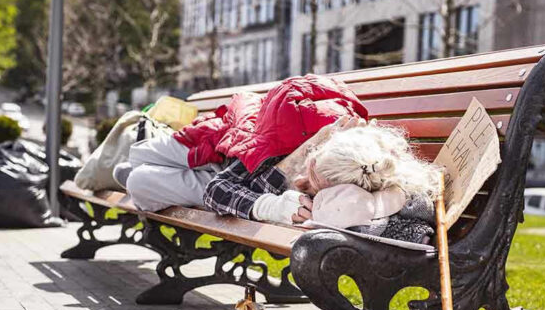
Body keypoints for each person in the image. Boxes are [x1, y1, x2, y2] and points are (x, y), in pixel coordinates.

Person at [116, 74, 368, 212]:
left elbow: (220, 190)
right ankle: (166, 177)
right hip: (225, 154)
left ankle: (158, 179)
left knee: (137, 179)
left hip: (226, 173)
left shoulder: (351, 162)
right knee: (135, 162)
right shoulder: (285, 135)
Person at [204, 123, 442, 244]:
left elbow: (218, 193)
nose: (299, 181)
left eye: (311, 186)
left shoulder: (364, 176)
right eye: (310, 168)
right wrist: (298, 153)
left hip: (211, 172)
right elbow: (216, 192)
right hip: (214, 152)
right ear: (320, 147)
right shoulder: (300, 136)